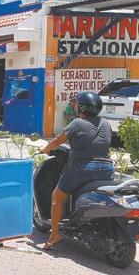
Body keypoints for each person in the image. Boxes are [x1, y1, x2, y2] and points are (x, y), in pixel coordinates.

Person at [38, 92, 114, 250]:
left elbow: (58, 140)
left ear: (81, 107)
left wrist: (45, 149)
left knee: (57, 197)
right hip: (106, 168)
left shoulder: (78, 123)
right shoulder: (106, 123)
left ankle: (54, 235)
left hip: (83, 168)